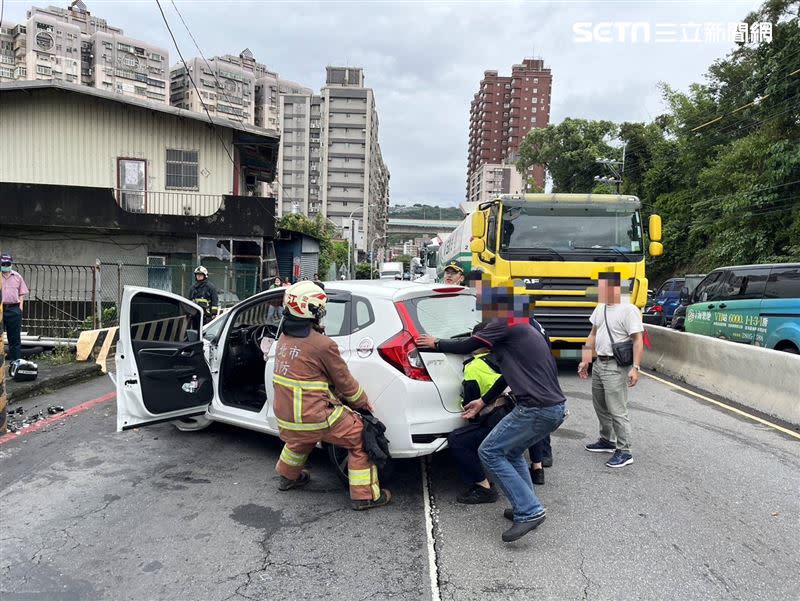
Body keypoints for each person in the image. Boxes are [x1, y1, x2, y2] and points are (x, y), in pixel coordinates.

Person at [417, 277, 566, 542]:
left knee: (489, 451)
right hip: (550, 408)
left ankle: (530, 510)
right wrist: (484, 402)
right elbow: (507, 377)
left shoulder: (505, 322)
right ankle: (526, 505)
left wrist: (436, 344)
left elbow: (468, 345)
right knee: (513, 451)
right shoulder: (519, 326)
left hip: (535, 409)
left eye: (479, 295)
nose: (475, 300)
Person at [273, 281, 391, 510]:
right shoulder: (322, 344)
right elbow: (345, 382)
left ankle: (288, 477)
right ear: (313, 312)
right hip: (313, 417)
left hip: (287, 419)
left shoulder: (283, 340)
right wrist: (363, 404)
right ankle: (365, 496)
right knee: (361, 437)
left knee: (300, 438)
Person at [578, 271, 644, 468]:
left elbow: (638, 339)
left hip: (616, 365)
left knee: (617, 409)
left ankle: (625, 451)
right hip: (600, 363)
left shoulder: (628, 310)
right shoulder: (601, 308)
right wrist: (585, 359)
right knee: (600, 405)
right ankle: (607, 440)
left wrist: (636, 368)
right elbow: (592, 334)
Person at [447, 324, 509, 504]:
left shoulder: (474, 367)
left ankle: (484, 488)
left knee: (458, 439)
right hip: (516, 416)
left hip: (497, 421)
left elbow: (470, 404)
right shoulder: (504, 357)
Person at [1, 254, 29, 362]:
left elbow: (22, 293)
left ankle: (16, 362)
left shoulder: (17, 276)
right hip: (0, 308)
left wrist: (20, 307)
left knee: (14, 339)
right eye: (3, 264)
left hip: (14, 309)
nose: (5, 266)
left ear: (11, 264)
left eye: (8, 264)